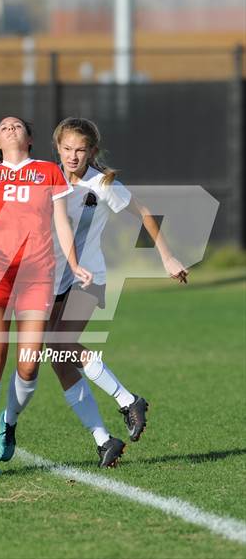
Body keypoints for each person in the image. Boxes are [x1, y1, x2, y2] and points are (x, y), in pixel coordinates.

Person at [43, 117, 188, 467]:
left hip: (88, 280)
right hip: (51, 279)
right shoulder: (48, 177)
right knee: (59, 359)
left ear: (92, 150)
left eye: (80, 150)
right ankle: (103, 440)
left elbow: (144, 213)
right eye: (66, 149)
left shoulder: (103, 183)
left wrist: (167, 257)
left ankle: (128, 400)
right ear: (57, 148)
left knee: (62, 344)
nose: (72, 156)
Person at [0, 116, 92, 479]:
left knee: (30, 363)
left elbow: (63, 222)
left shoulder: (49, 171)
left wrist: (76, 265)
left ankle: (10, 420)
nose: (10, 129)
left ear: (30, 138)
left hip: (37, 272)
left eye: (17, 125)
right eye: (3, 127)